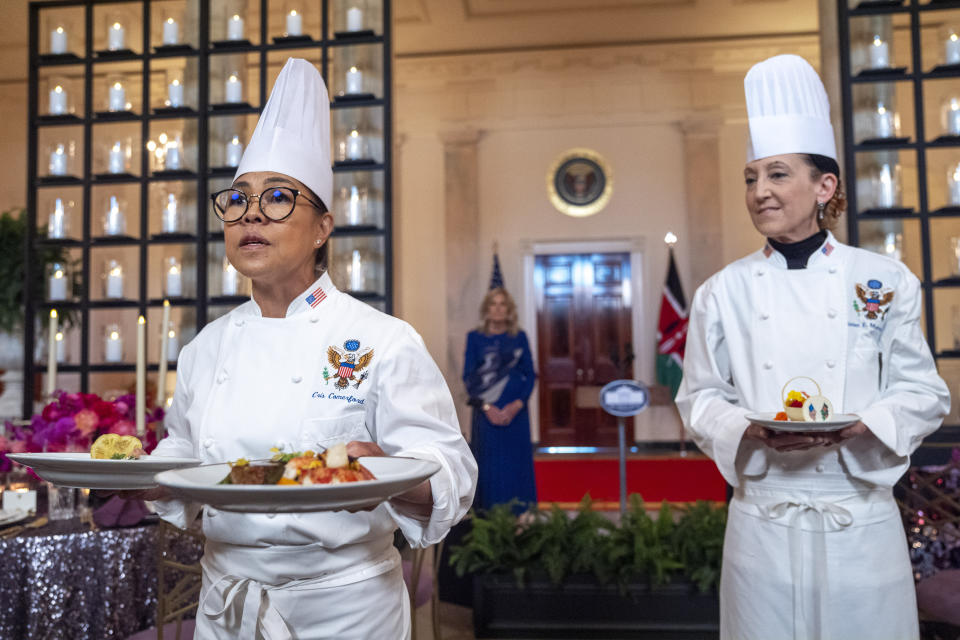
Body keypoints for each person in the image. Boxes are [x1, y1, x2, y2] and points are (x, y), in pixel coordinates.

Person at [141, 58, 477, 639]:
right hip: (226, 605)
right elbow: (184, 453)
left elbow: (451, 470)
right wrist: (145, 476)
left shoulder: (382, 339)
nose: (251, 214)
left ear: (323, 227)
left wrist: (390, 470)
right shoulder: (205, 349)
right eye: (239, 199)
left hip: (346, 611)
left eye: (276, 198)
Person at [675, 54, 950, 640]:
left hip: (858, 512)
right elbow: (698, 398)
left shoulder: (883, 280)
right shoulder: (720, 293)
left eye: (777, 174)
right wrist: (747, 428)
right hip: (763, 516)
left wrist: (865, 424)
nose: (759, 192)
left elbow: (923, 392)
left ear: (825, 186)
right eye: (751, 177)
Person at [463, 287, 537, 510]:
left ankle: (521, 521)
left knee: (517, 467)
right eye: (493, 304)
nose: (497, 309)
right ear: (487, 309)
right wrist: (487, 407)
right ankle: (490, 521)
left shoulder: (519, 337)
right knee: (489, 469)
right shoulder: (475, 338)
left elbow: (530, 374)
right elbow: (469, 377)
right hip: (486, 416)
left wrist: (517, 404)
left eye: (502, 304)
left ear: (509, 309)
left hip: (516, 415)